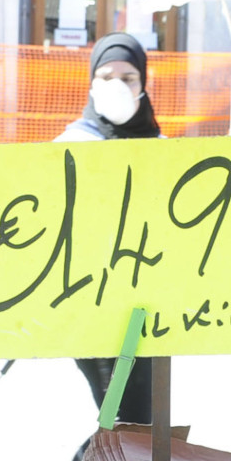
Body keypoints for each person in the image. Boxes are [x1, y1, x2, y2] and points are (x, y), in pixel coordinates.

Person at [58, 33, 161, 429]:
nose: (118, 85)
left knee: (133, 418)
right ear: (90, 85)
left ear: (143, 84)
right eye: (106, 76)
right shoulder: (70, 145)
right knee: (121, 417)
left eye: (129, 77)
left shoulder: (164, 148)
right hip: (89, 301)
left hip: (149, 311)